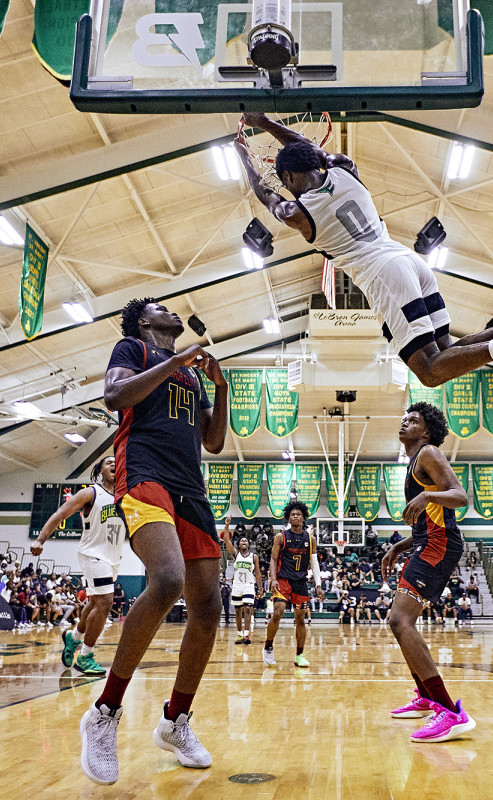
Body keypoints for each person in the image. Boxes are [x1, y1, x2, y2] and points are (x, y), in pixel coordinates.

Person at [235, 112, 493, 386]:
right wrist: (264, 122)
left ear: (289, 177)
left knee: (428, 372)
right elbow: (306, 147)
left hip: (385, 275)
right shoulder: (343, 166)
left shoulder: (296, 213)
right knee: (446, 353)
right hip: (410, 261)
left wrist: (244, 157)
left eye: (286, 180)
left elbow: (266, 195)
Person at [79, 298, 229, 785]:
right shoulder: (134, 349)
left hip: (191, 486)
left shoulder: (192, 375)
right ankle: (104, 712)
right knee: (167, 579)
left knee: (208, 605)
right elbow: (114, 396)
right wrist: (173, 361)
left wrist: (221, 388)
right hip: (145, 474)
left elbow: (213, 442)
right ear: (146, 322)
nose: (174, 310)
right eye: (162, 307)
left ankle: (176, 720)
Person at [382, 402, 476, 743]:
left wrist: (427, 495)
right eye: (404, 417)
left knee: (399, 620)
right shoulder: (414, 461)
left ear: (426, 431)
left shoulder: (429, 453)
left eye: (414, 420)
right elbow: (429, 525)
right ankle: (425, 696)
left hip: (440, 547)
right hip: (427, 543)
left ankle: (450, 712)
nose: (405, 422)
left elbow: (460, 497)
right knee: (400, 622)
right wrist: (399, 546)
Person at [33, 455, 124, 675]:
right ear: (100, 470)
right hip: (92, 553)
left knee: (95, 604)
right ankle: (85, 656)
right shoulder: (91, 493)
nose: (113, 464)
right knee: (105, 602)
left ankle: (72, 638)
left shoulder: (125, 495)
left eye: (116, 461)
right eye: (107, 462)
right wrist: (41, 539)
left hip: (113, 558)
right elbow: (60, 513)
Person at [262, 501, 324, 668]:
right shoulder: (281, 537)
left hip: (300, 583)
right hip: (283, 580)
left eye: (298, 514)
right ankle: (268, 646)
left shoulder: (310, 539)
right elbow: (273, 559)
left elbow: (314, 563)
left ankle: (299, 655)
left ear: (303, 517)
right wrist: (273, 578)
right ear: (288, 518)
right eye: (292, 514)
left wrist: (318, 585)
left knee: (300, 618)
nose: (295, 516)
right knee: (278, 611)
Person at [220, 517, 262, 645]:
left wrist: (260, 588)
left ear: (249, 545)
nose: (244, 541)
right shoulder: (236, 554)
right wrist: (227, 526)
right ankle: (239, 635)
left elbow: (258, 573)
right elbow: (227, 540)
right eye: (242, 541)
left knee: (248, 609)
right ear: (238, 545)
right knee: (238, 611)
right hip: (237, 585)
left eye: (246, 541)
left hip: (248, 586)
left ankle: (247, 635)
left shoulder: (254, 557)